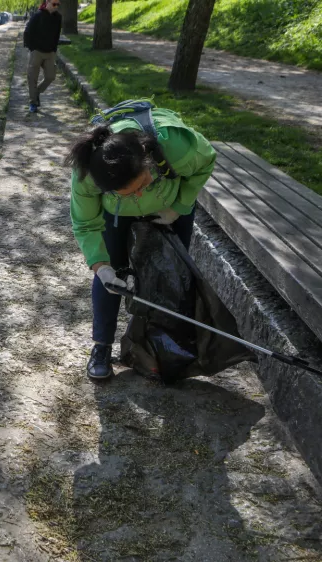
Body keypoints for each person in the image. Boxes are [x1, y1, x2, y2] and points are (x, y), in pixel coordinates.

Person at [67, 105, 216, 381]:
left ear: (148, 161)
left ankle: (163, 348)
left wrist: (180, 206)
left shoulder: (175, 145)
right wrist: (101, 266)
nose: (137, 197)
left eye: (142, 185)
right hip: (116, 216)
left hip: (170, 206)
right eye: (128, 193)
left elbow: (206, 160)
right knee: (111, 277)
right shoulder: (87, 175)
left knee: (173, 277)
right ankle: (101, 347)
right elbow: (85, 223)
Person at [23, 0, 62, 114]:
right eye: (54, 4)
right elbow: (28, 31)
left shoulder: (58, 17)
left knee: (51, 76)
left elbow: (57, 34)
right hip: (37, 51)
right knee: (32, 78)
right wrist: (32, 48)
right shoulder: (38, 15)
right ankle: (33, 103)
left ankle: (37, 93)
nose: (56, 7)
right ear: (47, 2)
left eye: (58, 5)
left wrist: (54, 49)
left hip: (50, 52)